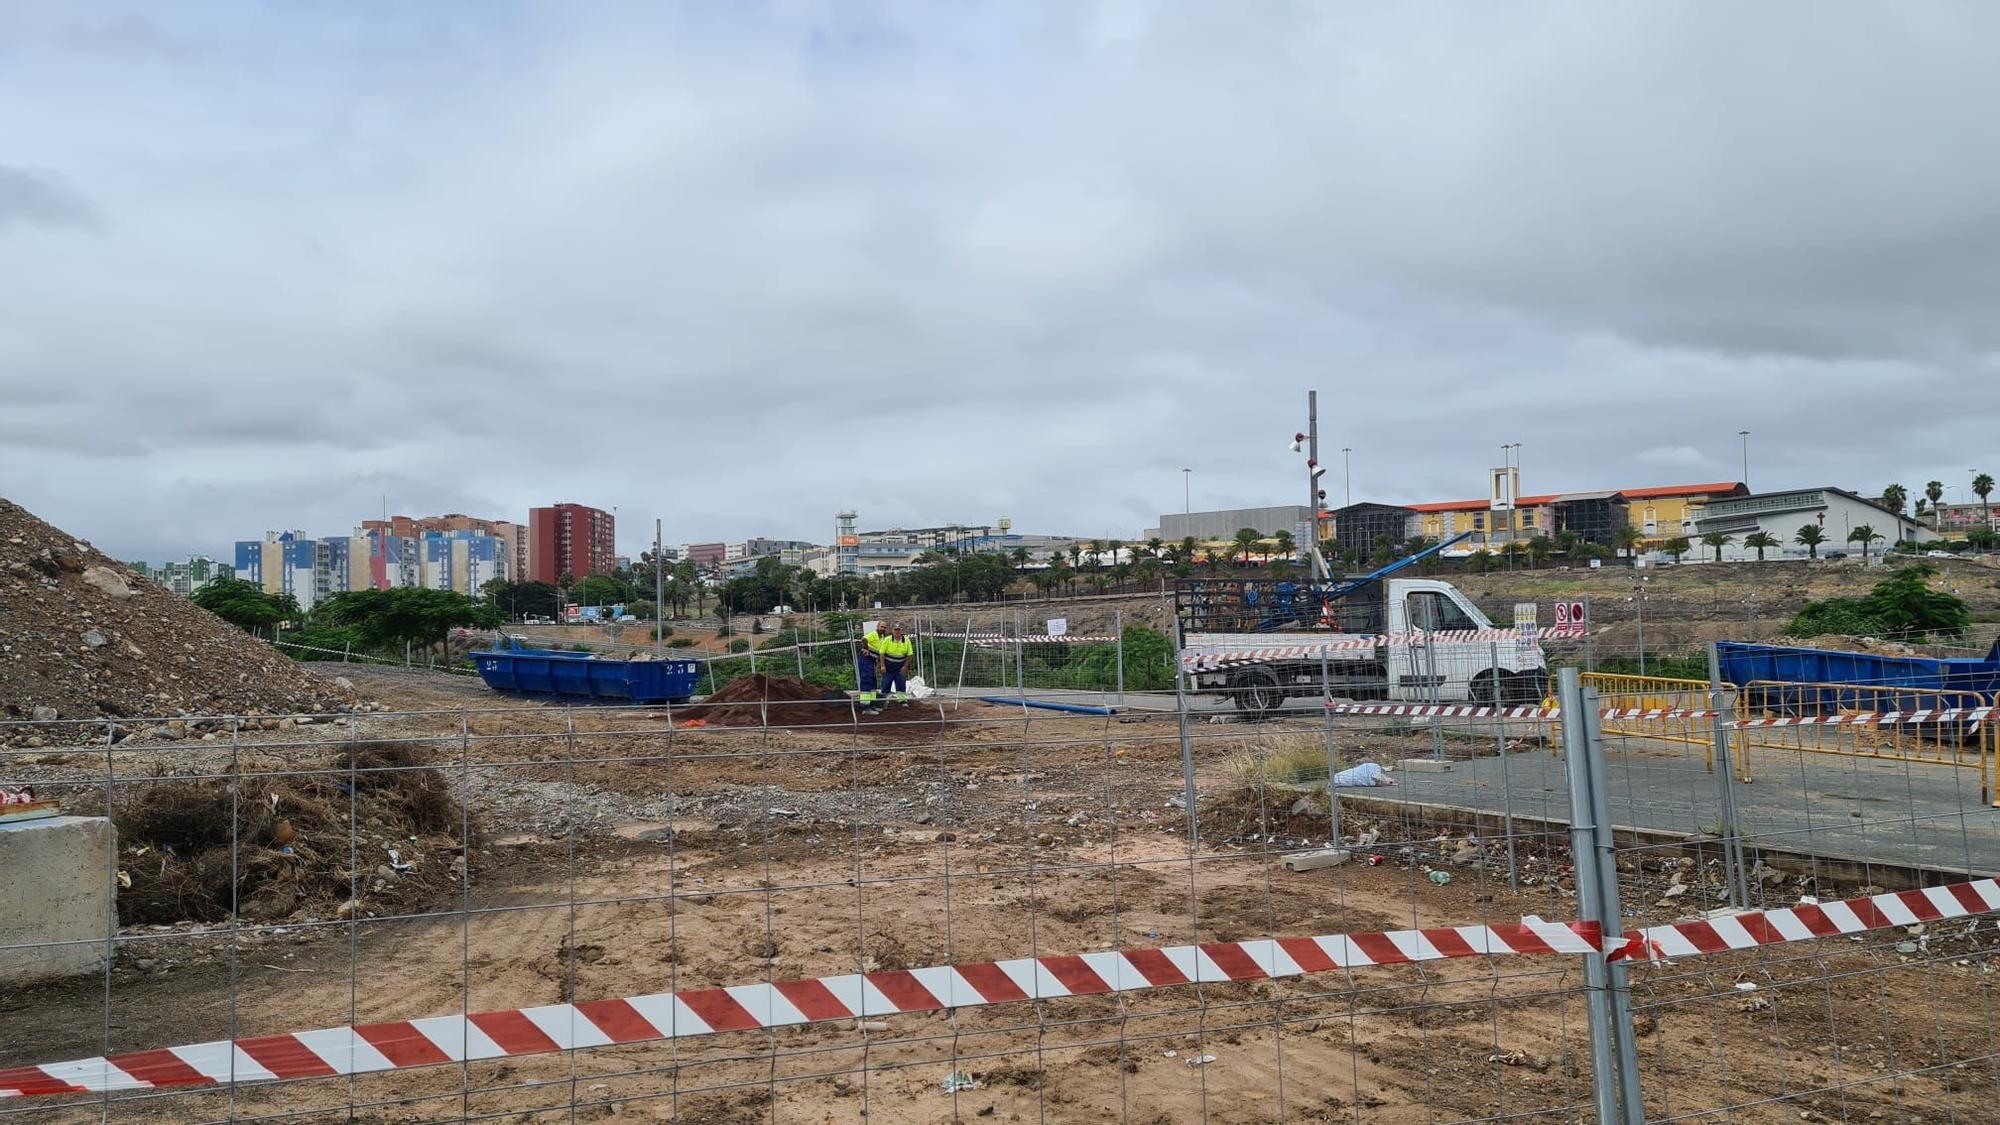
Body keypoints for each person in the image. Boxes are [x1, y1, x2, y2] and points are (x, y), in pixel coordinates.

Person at [878, 623, 915, 703]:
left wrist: (905, 667)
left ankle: (902, 701)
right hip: (888, 668)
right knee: (886, 684)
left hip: (900, 668)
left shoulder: (906, 640)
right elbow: (882, 653)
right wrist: (882, 666)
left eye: (899, 630)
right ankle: (883, 701)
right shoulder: (887, 639)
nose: (897, 632)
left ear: (901, 631)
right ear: (892, 631)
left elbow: (910, 655)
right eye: (895, 630)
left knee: (901, 684)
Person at [857, 621, 888, 714]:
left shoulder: (881, 638)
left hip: (872, 661)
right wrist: (866, 648)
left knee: (873, 682)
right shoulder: (874, 634)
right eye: (881, 627)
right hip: (866, 660)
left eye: (885, 627)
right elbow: (864, 639)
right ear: (877, 627)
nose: (883, 629)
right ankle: (865, 707)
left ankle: (872, 704)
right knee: (866, 681)